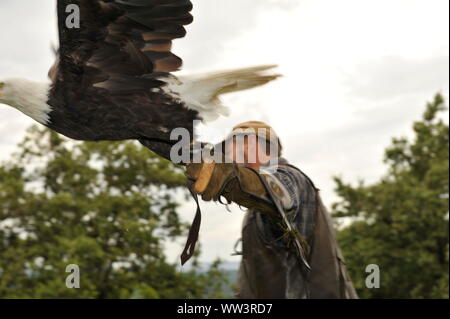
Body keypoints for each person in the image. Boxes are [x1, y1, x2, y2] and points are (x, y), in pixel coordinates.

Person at [185, 121, 358, 299]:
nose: (227, 155)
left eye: (229, 147)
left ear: (251, 142)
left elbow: (278, 192)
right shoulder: (255, 209)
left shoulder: (292, 179)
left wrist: (232, 178)